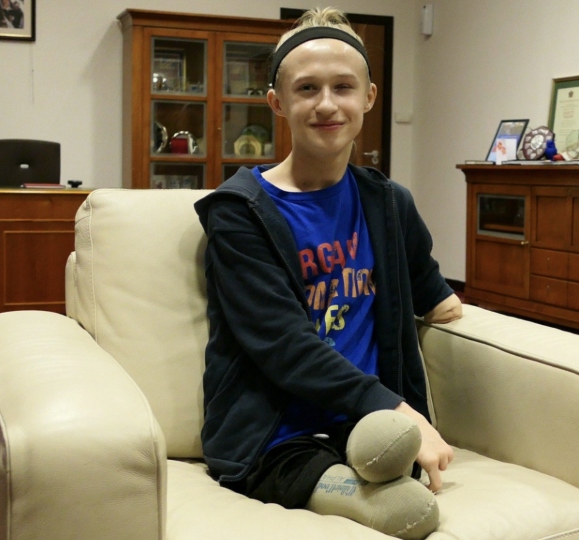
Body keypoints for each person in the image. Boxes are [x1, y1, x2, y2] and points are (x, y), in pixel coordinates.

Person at [193, 7, 462, 539]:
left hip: (361, 422)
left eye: (343, 86)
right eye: (307, 88)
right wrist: (401, 411)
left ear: (368, 97)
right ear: (278, 103)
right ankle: (357, 482)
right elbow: (283, 344)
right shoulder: (238, 213)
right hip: (275, 438)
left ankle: (374, 459)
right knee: (411, 512)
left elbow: (438, 297)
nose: (326, 104)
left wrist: (445, 319)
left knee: (385, 449)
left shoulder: (388, 203)